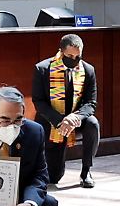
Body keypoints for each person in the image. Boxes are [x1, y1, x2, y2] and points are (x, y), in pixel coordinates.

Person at [32, 34, 99, 188]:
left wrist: (75, 117)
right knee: (53, 177)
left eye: (78, 56)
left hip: (75, 119)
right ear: (61, 52)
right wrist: (60, 120)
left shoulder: (88, 70)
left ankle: (86, 171)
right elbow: (39, 102)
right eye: (70, 55)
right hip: (51, 120)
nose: (74, 59)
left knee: (93, 124)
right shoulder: (43, 69)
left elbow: (91, 102)